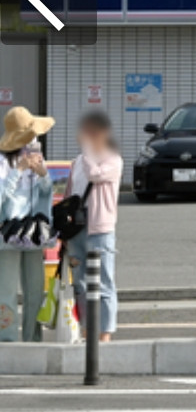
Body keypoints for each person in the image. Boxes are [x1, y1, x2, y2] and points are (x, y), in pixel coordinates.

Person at [66, 112, 123, 343]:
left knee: (103, 281)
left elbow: (95, 175)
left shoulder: (112, 159)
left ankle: (105, 333)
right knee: (80, 281)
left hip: (100, 225)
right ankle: (87, 331)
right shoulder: (78, 161)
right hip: (77, 226)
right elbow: (70, 193)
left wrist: (89, 152)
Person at [0, 106, 55, 343]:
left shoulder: (37, 159)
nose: (35, 140)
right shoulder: (3, 163)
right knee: (7, 291)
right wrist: (17, 171)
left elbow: (47, 194)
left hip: (33, 233)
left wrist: (42, 173)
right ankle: (8, 338)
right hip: (7, 233)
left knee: (35, 290)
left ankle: (33, 338)